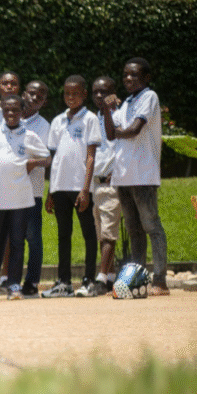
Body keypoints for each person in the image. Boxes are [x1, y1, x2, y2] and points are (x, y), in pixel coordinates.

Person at [101, 57, 170, 296]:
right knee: (133, 230)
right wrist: (106, 110)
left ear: (146, 78)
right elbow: (111, 133)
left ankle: (160, 280)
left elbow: (133, 130)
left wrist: (117, 127)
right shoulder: (126, 104)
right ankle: (137, 279)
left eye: (134, 75)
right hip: (123, 176)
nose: (128, 79)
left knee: (151, 225)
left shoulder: (149, 97)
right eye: (125, 75)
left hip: (143, 174)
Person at [0, 94, 50, 300]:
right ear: (2, 112)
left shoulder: (30, 136)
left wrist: (32, 163)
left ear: (22, 112)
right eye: (7, 110)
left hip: (21, 198)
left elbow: (47, 157)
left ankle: (14, 285)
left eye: (15, 110)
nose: (11, 114)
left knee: (17, 241)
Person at [43, 75, 101, 298]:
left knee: (88, 233)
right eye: (67, 93)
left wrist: (86, 190)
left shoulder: (90, 119)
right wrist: (50, 191)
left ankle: (88, 280)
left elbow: (90, 157)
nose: (71, 97)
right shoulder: (58, 121)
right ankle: (64, 282)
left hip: (80, 188)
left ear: (84, 94)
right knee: (63, 234)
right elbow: (55, 157)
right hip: (59, 187)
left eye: (75, 93)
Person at [90, 76, 123, 295]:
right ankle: (110, 276)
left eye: (105, 91)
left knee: (109, 233)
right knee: (101, 233)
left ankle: (101, 278)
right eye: (96, 92)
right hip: (95, 184)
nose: (100, 96)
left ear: (113, 92)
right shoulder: (92, 119)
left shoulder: (119, 115)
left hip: (112, 184)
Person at [19, 80, 50, 297]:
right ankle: (9, 280)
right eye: (31, 94)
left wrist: (31, 163)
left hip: (33, 191)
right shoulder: (10, 119)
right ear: (23, 94)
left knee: (32, 237)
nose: (34, 98)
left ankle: (31, 282)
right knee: (10, 238)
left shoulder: (44, 126)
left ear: (44, 102)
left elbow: (48, 158)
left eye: (40, 97)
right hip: (8, 192)